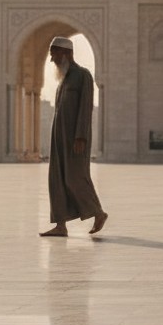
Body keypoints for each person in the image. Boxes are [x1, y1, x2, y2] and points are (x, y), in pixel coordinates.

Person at [40, 36, 108, 238]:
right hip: (59, 138)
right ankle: (60, 225)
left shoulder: (82, 76)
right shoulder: (64, 79)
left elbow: (85, 108)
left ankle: (98, 213)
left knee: (75, 178)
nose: (52, 59)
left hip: (75, 139)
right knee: (57, 179)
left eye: (54, 54)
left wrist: (80, 137)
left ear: (67, 53)